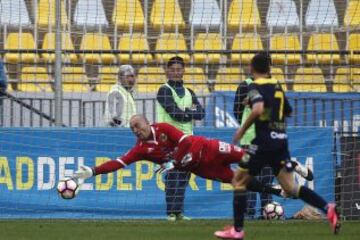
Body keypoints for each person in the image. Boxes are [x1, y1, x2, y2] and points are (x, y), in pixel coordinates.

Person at [215, 53, 340, 239]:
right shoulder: (277, 86)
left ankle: (237, 230)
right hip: (280, 142)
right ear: (269, 68)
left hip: (262, 143)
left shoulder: (254, 86)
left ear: (252, 68)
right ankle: (326, 207)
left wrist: (242, 130)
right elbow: (288, 111)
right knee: (291, 187)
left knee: (238, 181)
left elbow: (257, 110)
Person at [72, 115, 283, 199]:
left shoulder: (163, 128)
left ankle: (287, 163)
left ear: (147, 123)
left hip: (209, 148)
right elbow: (119, 163)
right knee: (239, 181)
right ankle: (277, 191)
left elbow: (186, 142)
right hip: (202, 168)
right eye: (132, 129)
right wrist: (92, 171)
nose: (135, 130)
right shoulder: (140, 149)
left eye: (137, 125)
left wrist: (174, 162)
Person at [156, 56, 205, 221]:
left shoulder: (189, 92)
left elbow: (201, 113)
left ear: (183, 71)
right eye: (173, 70)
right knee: (173, 176)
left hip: (188, 140)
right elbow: (174, 112)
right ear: (167, 71)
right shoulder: (163, 90)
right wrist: (188, 112)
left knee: (184, 176)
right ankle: (171, 211)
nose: (176, 73)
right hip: (169, 140)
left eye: (179, 69)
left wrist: (185, 112)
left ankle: (179, 212)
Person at [234, 75, 274, 219]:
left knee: (267, 177)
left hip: (267, 139)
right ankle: (249, 212)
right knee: (249, 177)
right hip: (249, 140)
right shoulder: (245, 85)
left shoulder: (272, 84)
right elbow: (237, 110)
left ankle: (267, 210)